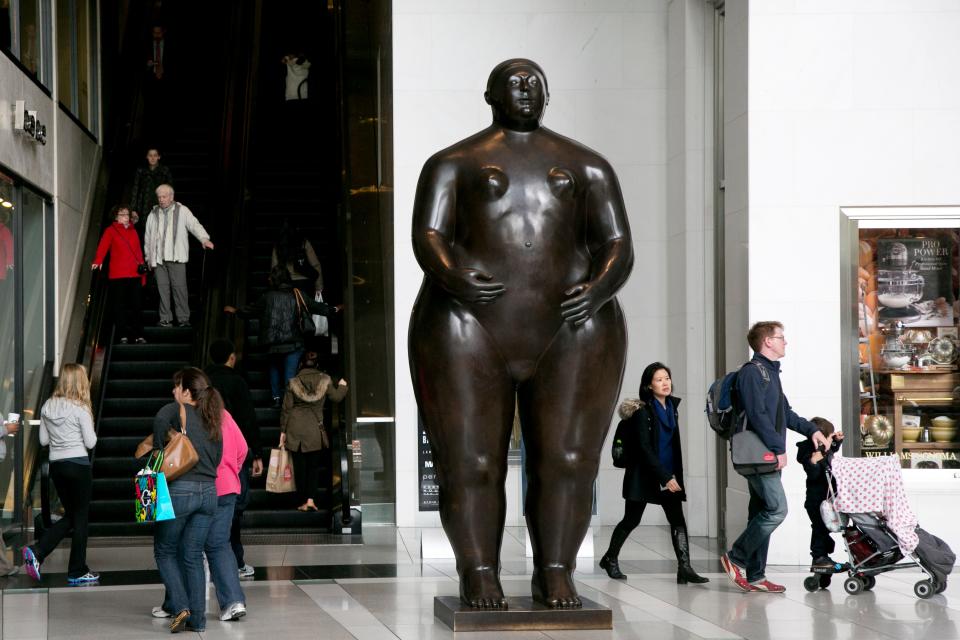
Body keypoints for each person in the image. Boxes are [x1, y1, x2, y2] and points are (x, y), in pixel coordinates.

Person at [408, 59, 633, 609]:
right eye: (513, 82)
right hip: (467, 322)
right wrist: (452, 274)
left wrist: (599, 288)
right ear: (489, 94)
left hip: (572, 324)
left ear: (549, 94)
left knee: (568, 459)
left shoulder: (587, 166)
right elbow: (428, 234)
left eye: (534, 83)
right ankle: (479, 570)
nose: (525, 90)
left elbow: (618, 244)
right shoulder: (453, 163)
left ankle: (556, 569)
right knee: (469, 462)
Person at [720, 321, 830, 594]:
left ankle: (756, 575)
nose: (785, 342)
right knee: (777, 509)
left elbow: (786, 414)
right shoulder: (752, 373)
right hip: (760, 454)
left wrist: (812, 430)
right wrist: (778, 448)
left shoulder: (770, 373)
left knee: (760, 511)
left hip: (764, 454)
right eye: (781, 337)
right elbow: (758, 416)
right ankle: (736, 557)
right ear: (767, 342)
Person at [598, 362, 709, 585]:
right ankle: (610, 558)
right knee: (631, 519)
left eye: (667, 378)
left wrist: (671, 476)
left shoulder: (672, 408)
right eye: (659, 379)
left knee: (678, 520)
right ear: (649, 386)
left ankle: (684, 568)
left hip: (669, 474)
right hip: (644, 475)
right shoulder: (642, 412)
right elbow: (644, 449)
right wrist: (664, 477)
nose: (665, 383)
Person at [151, 367, 223, 632]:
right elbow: (217, 458)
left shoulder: (174, 410)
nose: (173, 391)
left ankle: (180, 605)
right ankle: (198, 620)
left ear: (187, 391)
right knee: (193, 554)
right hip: (209, 493)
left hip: (180, 490)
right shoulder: (213, 417)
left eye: (176, 386)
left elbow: (159, 421)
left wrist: (160, 450)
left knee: (165, 550)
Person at [21, 363, 99, 585]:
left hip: (57, 465)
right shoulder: (81, 408)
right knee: (81, 518)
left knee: (72, 516)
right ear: (80, 381)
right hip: (78, 465)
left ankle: (38, 551)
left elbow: (44, 441)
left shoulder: (47, 406)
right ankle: (77, 570)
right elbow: (91, 442)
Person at [225, 266, 339, 406]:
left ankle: (276, 398)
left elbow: (251, 311)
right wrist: (334, 309)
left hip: (272, 343)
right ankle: (289, 402)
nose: (267, 279)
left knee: (274, 370)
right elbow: (316, 307)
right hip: (294, 343)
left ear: (275, 280)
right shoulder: (298, 294)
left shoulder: (267, 297)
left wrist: (236, 311)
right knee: (290, 373)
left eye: (270, 277)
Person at [205, 338, 262, 577]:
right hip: (230, 460)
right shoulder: (237, 382)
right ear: (231, 357)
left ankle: (204, 559)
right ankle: (236, 561)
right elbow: (248, 419)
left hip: (203, 457)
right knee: (233, 510)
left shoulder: (202, 382)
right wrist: (256, 454)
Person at [280, 352, 347, 512]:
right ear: (317, 365)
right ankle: (310, 500)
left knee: (299, 467)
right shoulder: (325, 380)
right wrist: (343, 386)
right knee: (313, 466)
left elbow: (286, 409)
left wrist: (283, 431)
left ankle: (301, 500)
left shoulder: (293, 382)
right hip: (314, 429)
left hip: (294, 428)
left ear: (301, 364)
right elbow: (337, 397)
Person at [142, 184, 214, 328]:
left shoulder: (182, 210)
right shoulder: (153, 213)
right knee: (163, 290)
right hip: (159, 259)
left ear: (171, 197)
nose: (161, 200)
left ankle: (183, 319)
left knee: (179, 288)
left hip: (176, 257)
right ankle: (165, 319)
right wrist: (148, 257)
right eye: (159, 197)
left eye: (164, 196)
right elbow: (148, 237)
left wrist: (204, 239)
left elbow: (194, 224)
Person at [91, 205, 147, 344]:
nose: (125, 217)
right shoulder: (110, 230)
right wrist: (98, 260)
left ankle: (139, 335)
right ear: (116, 216)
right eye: (122, 214)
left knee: (137, 306)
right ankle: (122, 335)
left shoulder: (134, 231)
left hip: (134, 274)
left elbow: (138, 252)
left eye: (127, 214)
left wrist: (143, 274)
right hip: (117, 275)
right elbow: (103, 246)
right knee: (119, 306)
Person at [797, 416, 844, 569]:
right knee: (819, 527)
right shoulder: (810, 453)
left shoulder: (825, 449)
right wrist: (814, 461)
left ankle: (824, 555)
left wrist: (836, 441)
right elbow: (813, 474)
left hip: (828, 499)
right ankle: (819, 557)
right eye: (829, 436)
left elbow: (832, 449)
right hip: (816, 501)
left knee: (826, 528)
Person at [272, 222, 323, 297]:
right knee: (305, 307)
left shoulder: (278, 245)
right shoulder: (304, 242)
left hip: (286, 284)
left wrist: (274, 287)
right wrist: (319, 286)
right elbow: (315, 265)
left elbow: (274, 267)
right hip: (305, 283)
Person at [130, 148, 174, 225]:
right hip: (143, 204)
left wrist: (170, 205)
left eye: (155, 155)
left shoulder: (164, 170)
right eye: (150, 155)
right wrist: (133, 209)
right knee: (145, 228)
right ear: (147, 157)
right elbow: (135, 189)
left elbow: (170, 190)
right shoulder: (141, 171)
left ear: (159, 157)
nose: (153, 158)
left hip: (160, 203)